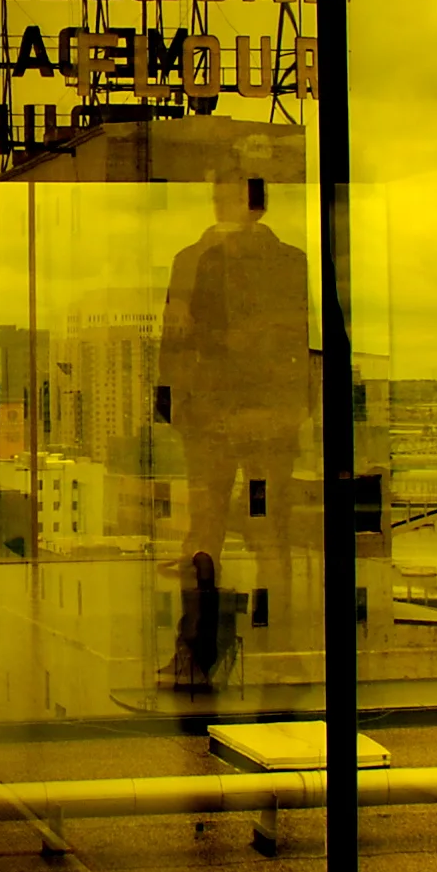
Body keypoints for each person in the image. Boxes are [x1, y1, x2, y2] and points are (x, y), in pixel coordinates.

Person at [157, 174, 309, 687]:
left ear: (251, 204)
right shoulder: (283, 260)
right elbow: (305, 339)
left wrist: (181, 411)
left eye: (228, 196)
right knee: (248, 535)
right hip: (244, 418)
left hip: (229, 417)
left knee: (222, 533)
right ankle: (272, 651)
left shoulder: (197, 258)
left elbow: (175, 344)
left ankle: (204, 653)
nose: (221, 204)